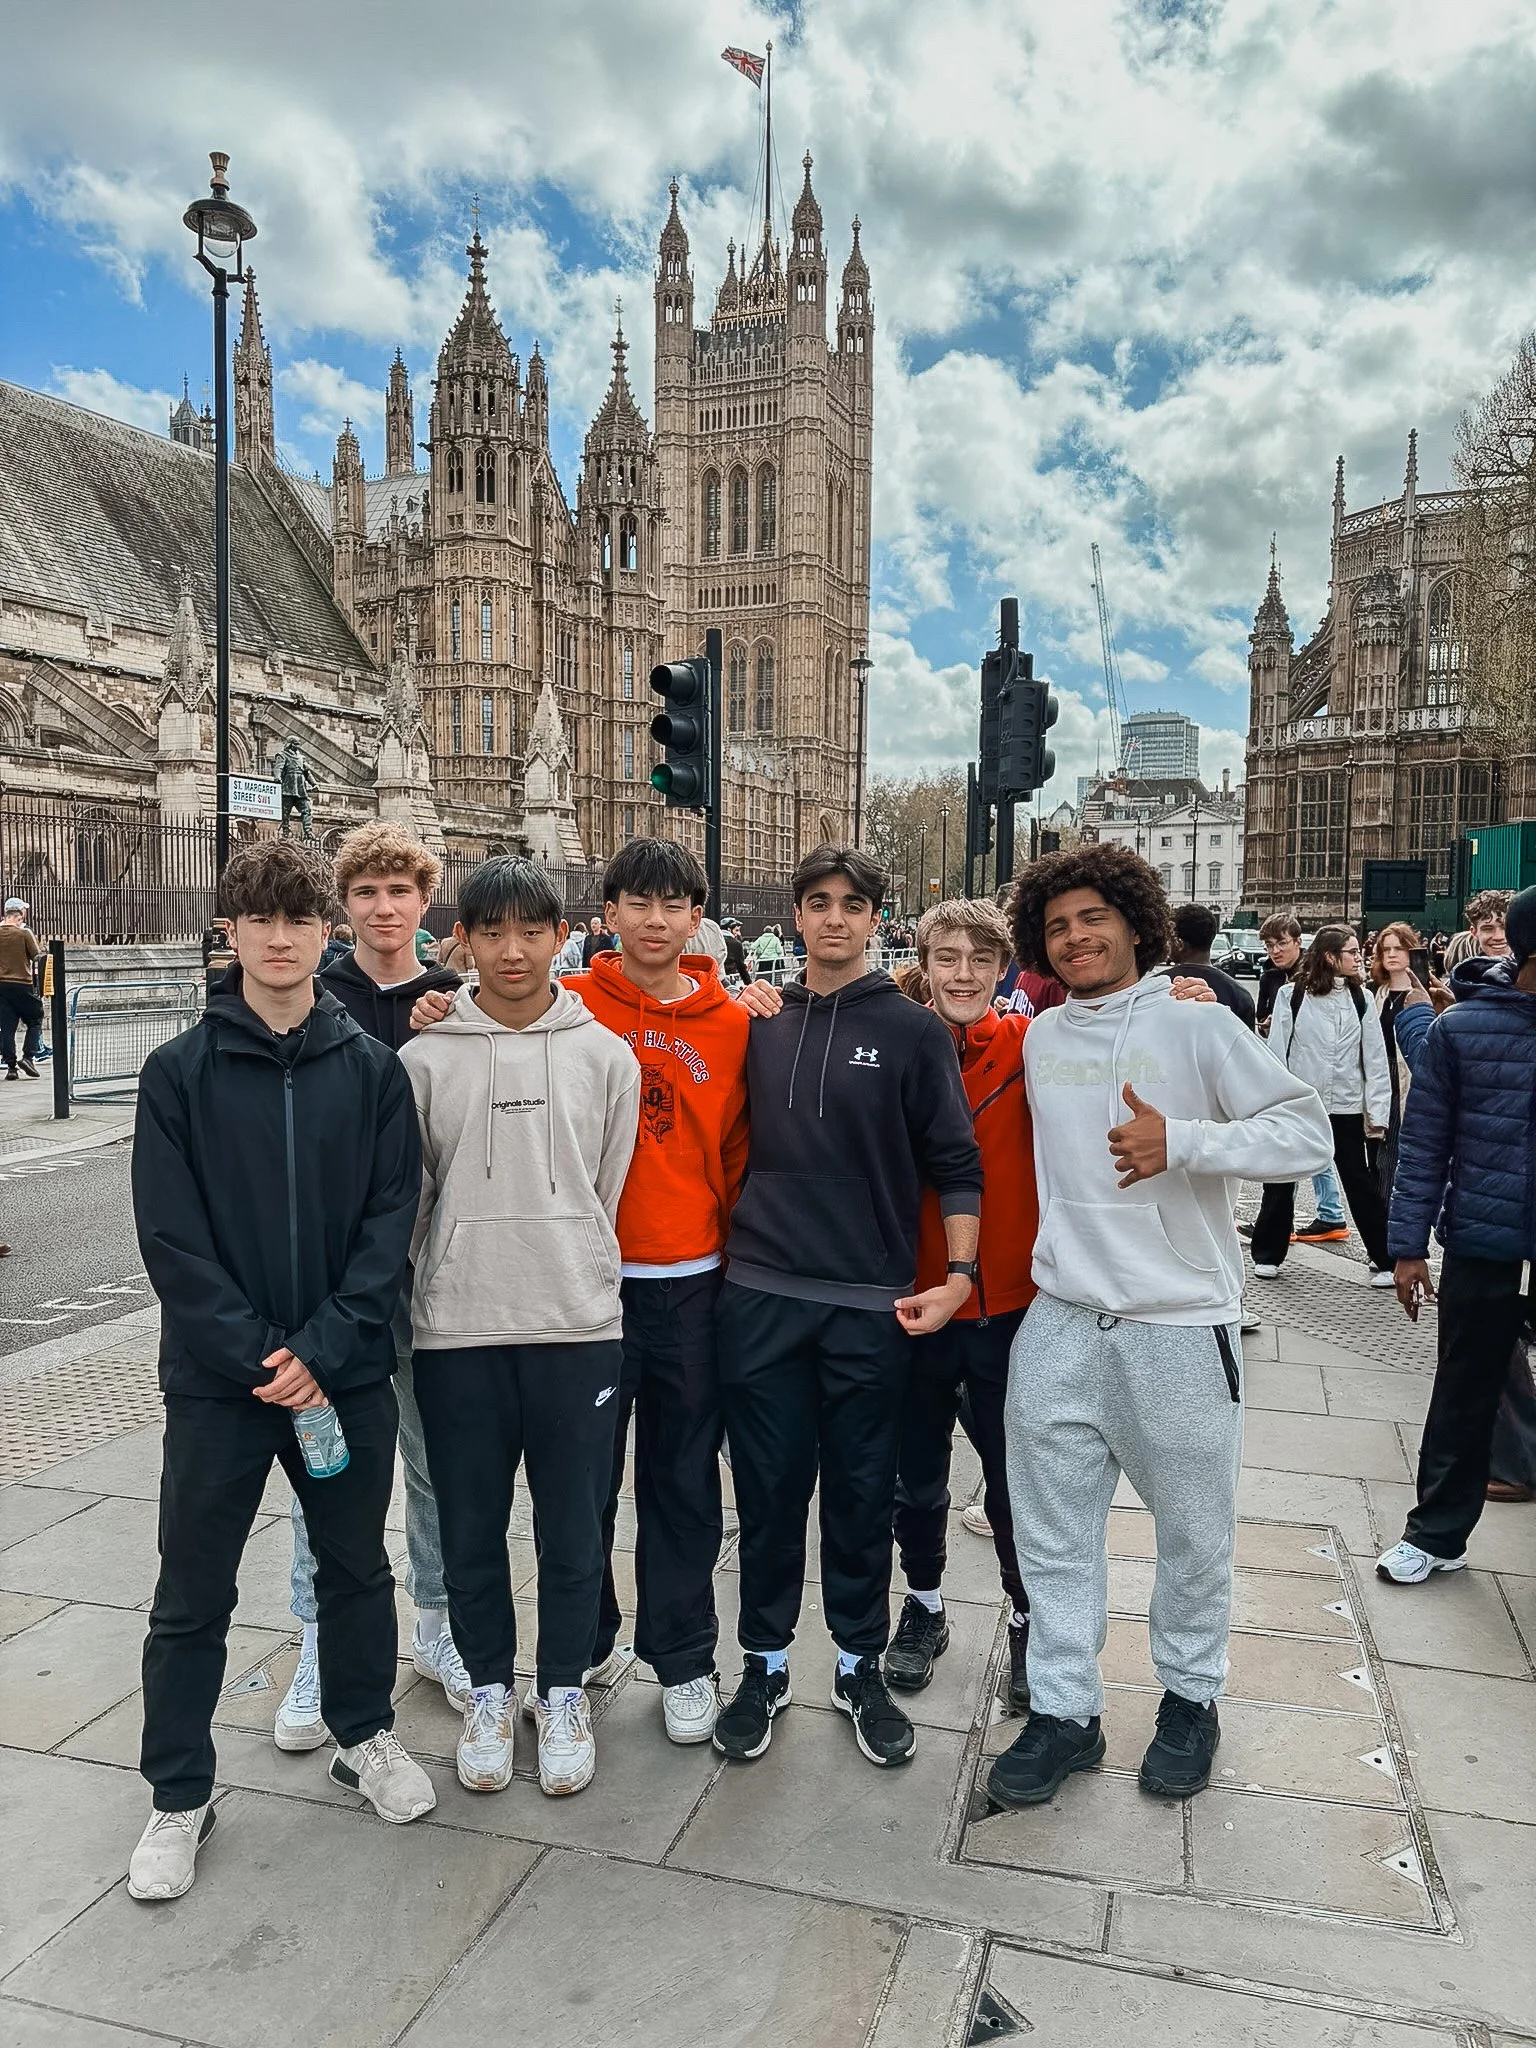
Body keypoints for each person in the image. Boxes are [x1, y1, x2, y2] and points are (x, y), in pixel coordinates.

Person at [987, 846, 1331, 1810]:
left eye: (1093, 918)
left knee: (1192, 1532)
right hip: (1060, 1321)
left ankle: (1189, 1700)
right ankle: (1064, 1711)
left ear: (1138, 924)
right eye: (1056, 926)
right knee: (1052, 1539)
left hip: (1178, 1325)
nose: (1076, 936)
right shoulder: (1042, 1038)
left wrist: (1185, 1141)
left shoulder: (1198, 1024)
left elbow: (1305, 1131)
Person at [127, 839, 433, 1902]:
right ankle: (178, 1791)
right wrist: (263, 1353)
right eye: (258, 917)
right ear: (231, 930)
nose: (278, 934)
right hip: (221, 1383)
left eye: (298, 917)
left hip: (340, 1375)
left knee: (356, 1570)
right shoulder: (178, 1072)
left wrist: (325, 1348)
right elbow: (172, 1239)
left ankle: (364, 1734)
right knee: (191, 1590)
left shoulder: (375, 1072)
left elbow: (391, 1225)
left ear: (324, 931)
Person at [712, 846, 982, 1771]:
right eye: (818, 902)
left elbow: (956, 1163)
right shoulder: (757, 1021)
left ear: (877, 919)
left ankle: (860, 1666)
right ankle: (766, 1662)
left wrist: (959, 1277)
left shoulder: (912, 1033)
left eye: (852, 904)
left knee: (864, 1495)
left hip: (869, 1303)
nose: (834, 918)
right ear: (796, 915)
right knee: (768, 1492)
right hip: (761, 1293)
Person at [401, 857, 640, 1798]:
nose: (510, 950)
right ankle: (492, 1691)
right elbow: (412, 1198)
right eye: (490, 931)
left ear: (560, 936)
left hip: (575, 1322)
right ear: (464, 939)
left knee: (576, 1527)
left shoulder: (603, 1054)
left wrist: (570, 1249)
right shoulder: (422, 1058)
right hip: (457, 1328)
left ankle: (563, 1690)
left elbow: (605, 1183)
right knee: (468, 1529)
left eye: (529, 931)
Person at [276, 824, 469, 1753]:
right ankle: (318, 1641)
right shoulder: (313, 997)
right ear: (342, 907)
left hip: (431, 1275)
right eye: (366, 893)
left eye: (399, 891)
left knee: (436, 1464)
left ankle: (435, 1626)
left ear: (423, 903)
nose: (383, 909)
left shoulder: (459, 999)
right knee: (327, 1466)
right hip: (334, 1282)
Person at [884, 899, 1038, 1712]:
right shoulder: (897, 1047)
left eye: (982, 959)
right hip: (913, 1297)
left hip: (1008, 1303)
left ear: (1004, 968)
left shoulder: (1029, 1045)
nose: (965, 975)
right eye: (948, 958)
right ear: (924, 960)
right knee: (916, 1475)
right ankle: (926, 1605)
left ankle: (1025, 1617)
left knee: (1017, 1483)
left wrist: (1179, 996)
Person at [1377, 882, 1536, 1580]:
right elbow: (1424, 1147)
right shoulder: (1461, 1029)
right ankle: (1435, 1535)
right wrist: (1407, 1247)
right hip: (1483, 1240)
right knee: (1465, 1396)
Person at [1249, 926, 1394, 1285]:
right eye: (1352, 951)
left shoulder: (1361, 998)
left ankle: (1385, 1258)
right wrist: (1273, 1104)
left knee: (1358, 1180)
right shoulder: (1292, 996)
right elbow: (1276, 1052)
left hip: (1346, 1105)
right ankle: (1268, 1253)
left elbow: (1374, 1059)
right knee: (1282, 1177)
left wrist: (1377, 1113)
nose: (1358, 957)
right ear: (1331, 957)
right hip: (1302, 1104)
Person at [1255, 912, 1349, 1242]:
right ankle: (1315, 1216)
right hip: (1287, 1071)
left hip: (1316, 1079)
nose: (1275, 950)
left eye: (1281, 943)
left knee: (1308, 1147)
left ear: (1298, 942)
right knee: (1307, 1146)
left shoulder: (1314, 978)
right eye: (1269, 945)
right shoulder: (1270, 979)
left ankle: (1297, 1220)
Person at [1367, 923, 1430, 1202]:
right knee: (1377, 1155)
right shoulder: (1373, 994)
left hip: (1409, 1077)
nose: (1391, 955)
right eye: (1386, 949)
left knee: (1396, 1153)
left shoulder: (1425, 994)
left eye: (1399, 948)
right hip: (1379, 1075)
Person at [1160, 903, 1256, 1028]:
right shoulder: (1239, 996)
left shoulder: (1160, 986)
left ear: (1179, 944)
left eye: (1170, 940)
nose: (1168, 944)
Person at [1, 897, 44, 1080]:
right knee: (35, 1019)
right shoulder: (24, 933)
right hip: (22, 984)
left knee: (7, 1027)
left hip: (1, 986)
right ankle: (28, 1057)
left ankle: (11, 1067)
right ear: (20, 914)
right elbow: (37, 955)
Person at [1465, 890, 1512, 960]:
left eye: (1506, 927)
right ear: (1474, 932)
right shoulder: (1463, 970)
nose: (1498, 937)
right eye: (1488, 929)